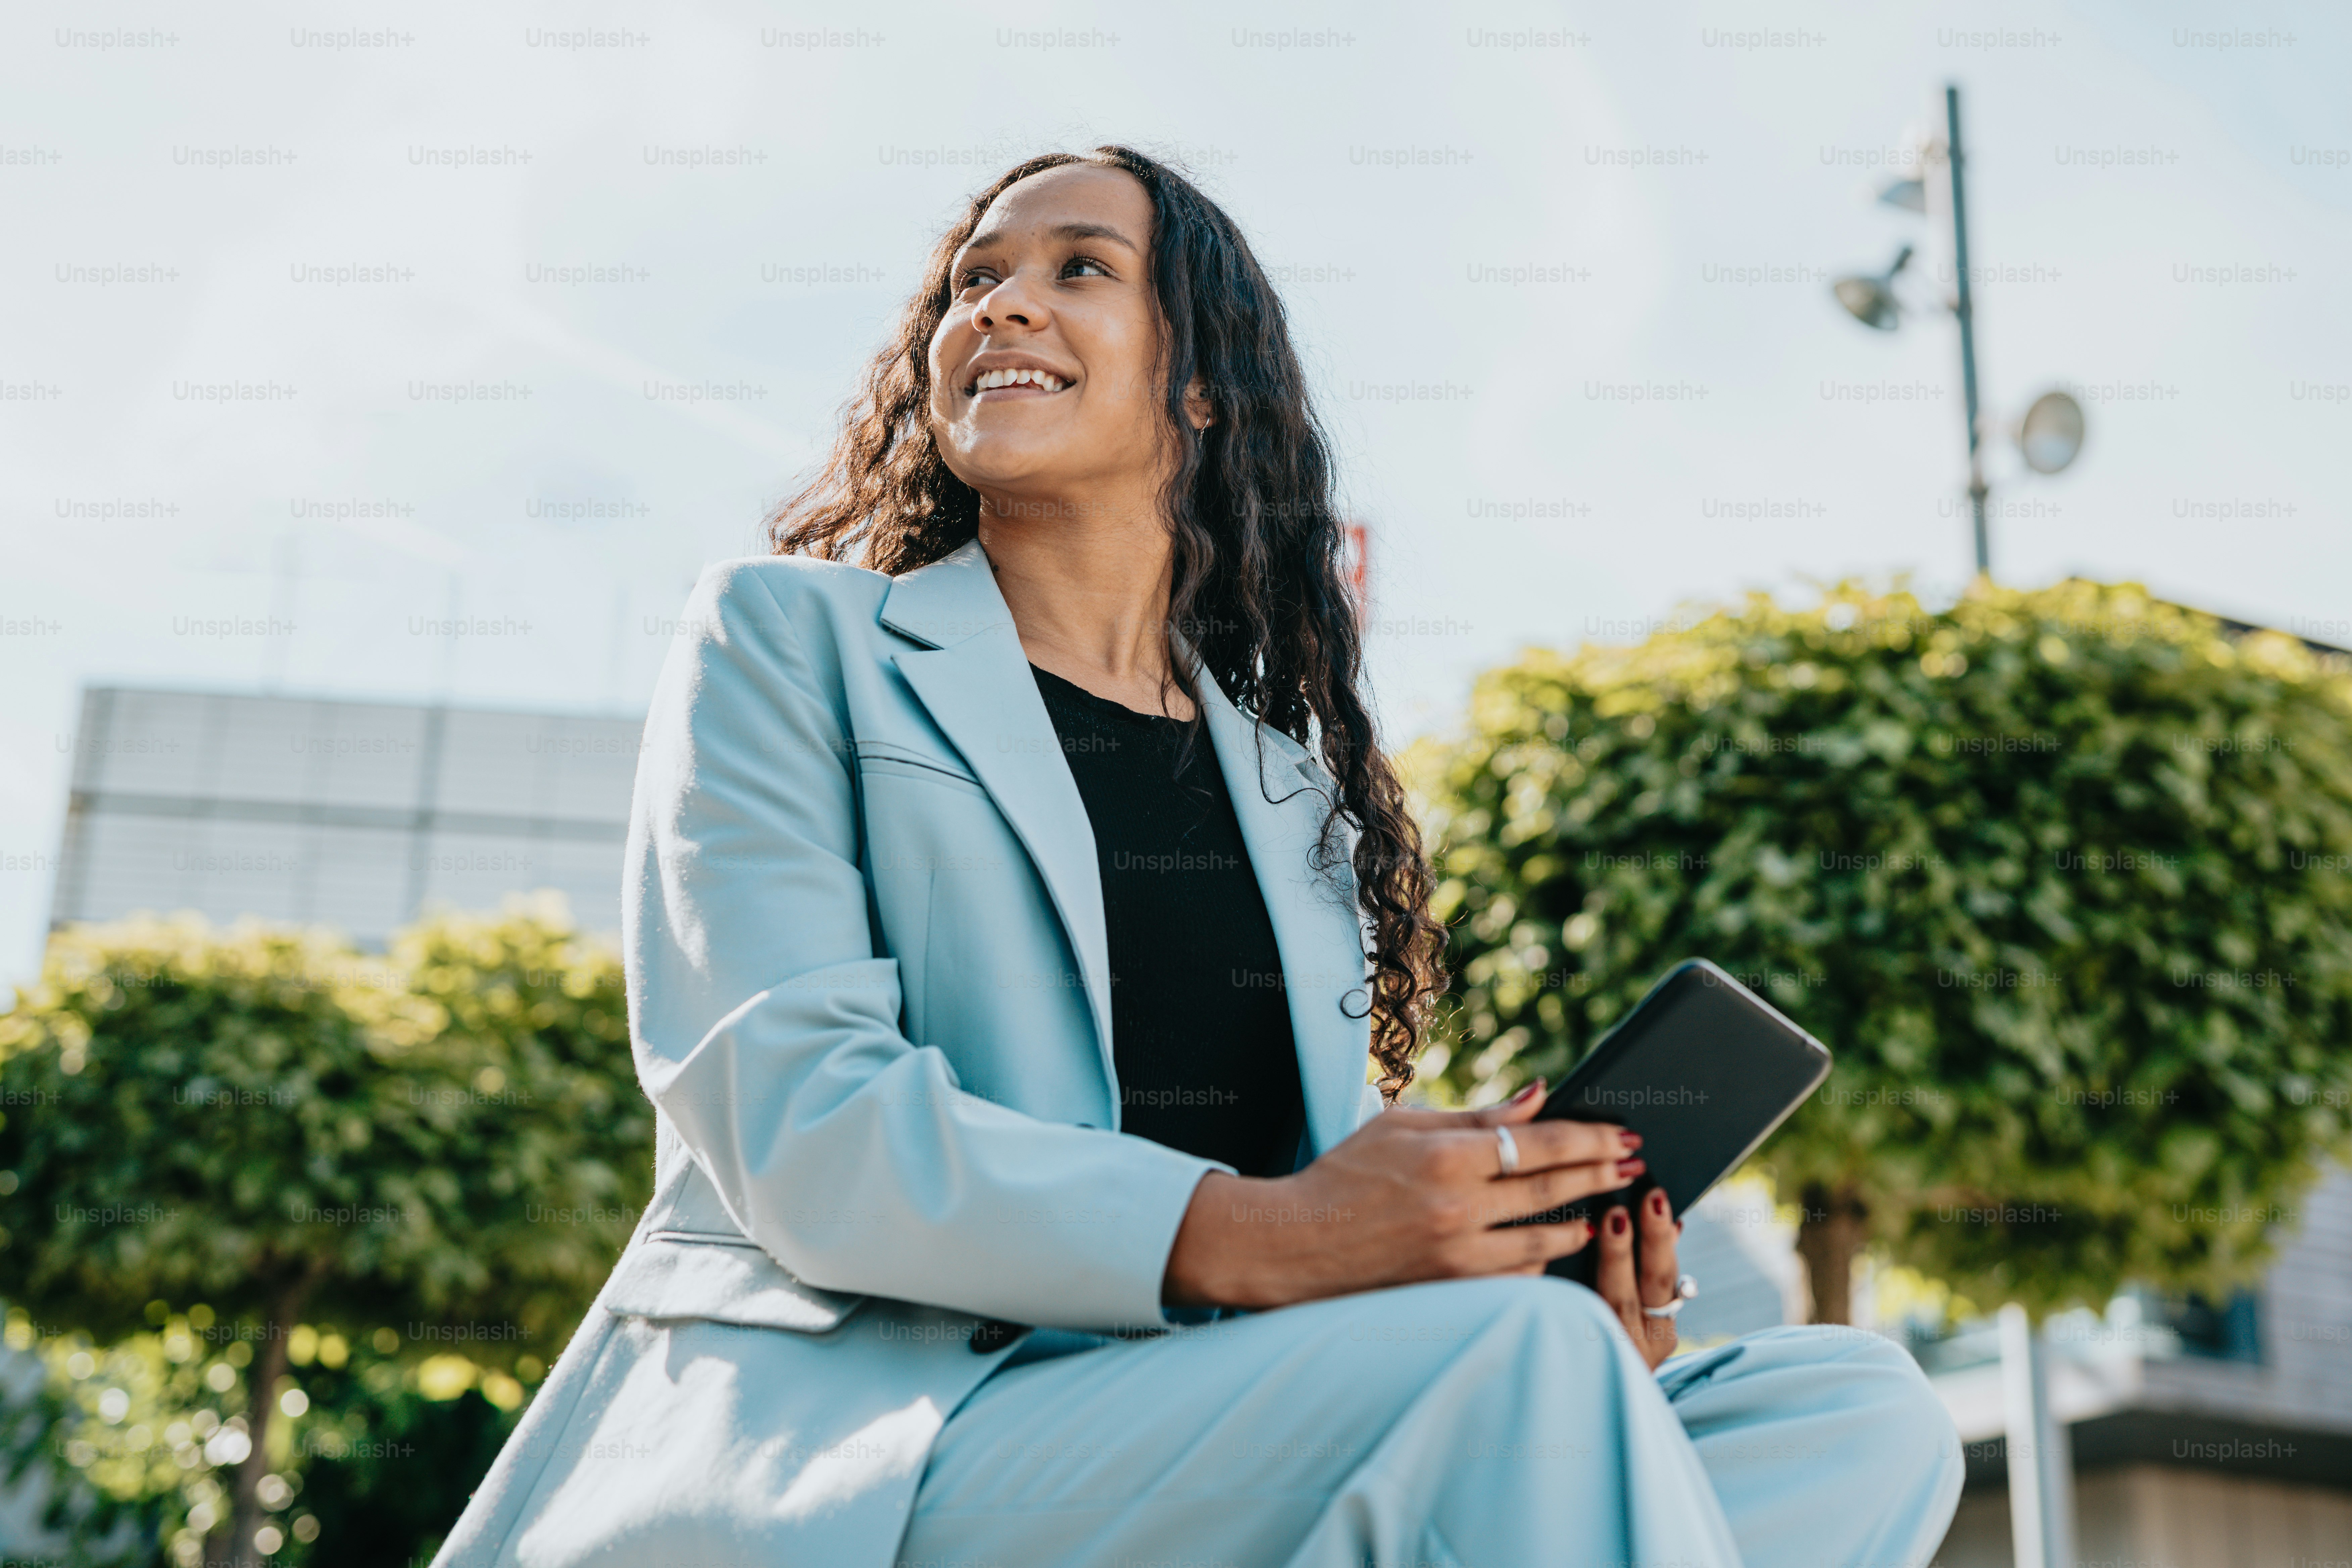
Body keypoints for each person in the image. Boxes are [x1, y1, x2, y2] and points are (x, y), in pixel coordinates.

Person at [431, 145, 1962, 1568]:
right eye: (975, 278)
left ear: (1206, 386)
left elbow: (1324, 1217)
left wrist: (1500, 1274)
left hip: (1213, 1420)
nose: (1004, 300)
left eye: (1079, 268)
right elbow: (804, 1129)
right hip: (887, 1438)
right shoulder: (789, 642)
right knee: (1525, 1368)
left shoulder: (1293, 791)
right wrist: (1271, 1233)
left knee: (1851, 1412)